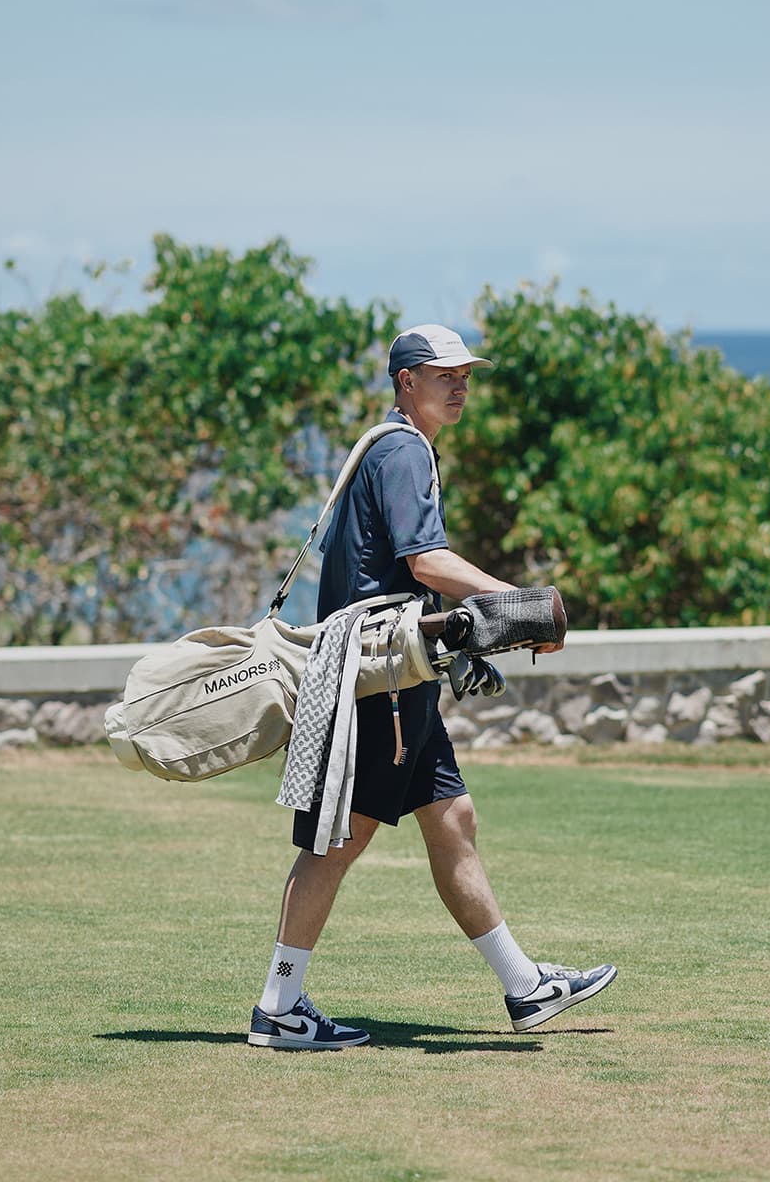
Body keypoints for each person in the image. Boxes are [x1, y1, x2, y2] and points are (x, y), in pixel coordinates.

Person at [248, 324, 616, 1049]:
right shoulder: (402, 450)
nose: (460, 385)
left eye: (465, 375)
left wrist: (459, 633)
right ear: (405, 381)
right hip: (380, 685)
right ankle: (278, 1008)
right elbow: (424, 561)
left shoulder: (391, 447)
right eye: (443, 373)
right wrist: (521, 602)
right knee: (337, 842)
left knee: (452, 821)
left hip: (398, 674)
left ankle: (525, 988)